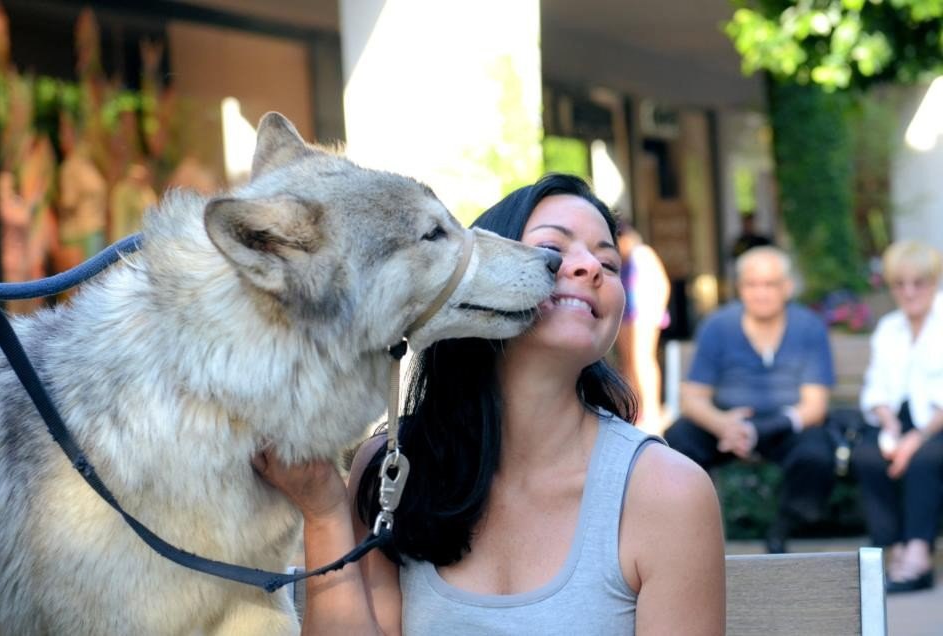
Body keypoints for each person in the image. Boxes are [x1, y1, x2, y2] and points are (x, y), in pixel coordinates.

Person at [253, 174, 726, 635]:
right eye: (553, 249)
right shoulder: (392, 471)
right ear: (481, 282)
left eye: (609, 262)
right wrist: (324, 513)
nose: (591, 268)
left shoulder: (667, 491)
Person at [664, 246, 837, 554]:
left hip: (786, 424)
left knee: (817, 454)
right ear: (740, 288)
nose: (761, 293)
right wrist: (723, 424)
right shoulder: (718, 326)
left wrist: (764, 429)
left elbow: (815, 406)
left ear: (787, 287)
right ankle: (692, 538)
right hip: (727, 423)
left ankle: (782, 530)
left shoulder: (808, 327)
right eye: (751, 284)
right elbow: (692, 397)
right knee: (678, 439)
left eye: (770, 284)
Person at [854, 240, 943, 593]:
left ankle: (919, 552)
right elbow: (875, 387)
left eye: (918, 282)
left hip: (936, 425)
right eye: (899, 283)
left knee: (923, 460)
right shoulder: (889, 328)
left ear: (934, 282)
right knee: (868, 456)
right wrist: (889, 426)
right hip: (900, 423)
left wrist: (915, 439)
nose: (909, 292)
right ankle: (893, 549)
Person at [615, 221, 671, 434]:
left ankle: (651, 410)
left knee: (642, 360)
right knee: (627, 362)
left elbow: (661, 284)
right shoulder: (621, 261)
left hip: (643, 315)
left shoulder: (642, 254)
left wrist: (654, 312)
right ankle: (635, 410)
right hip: (625, 315)